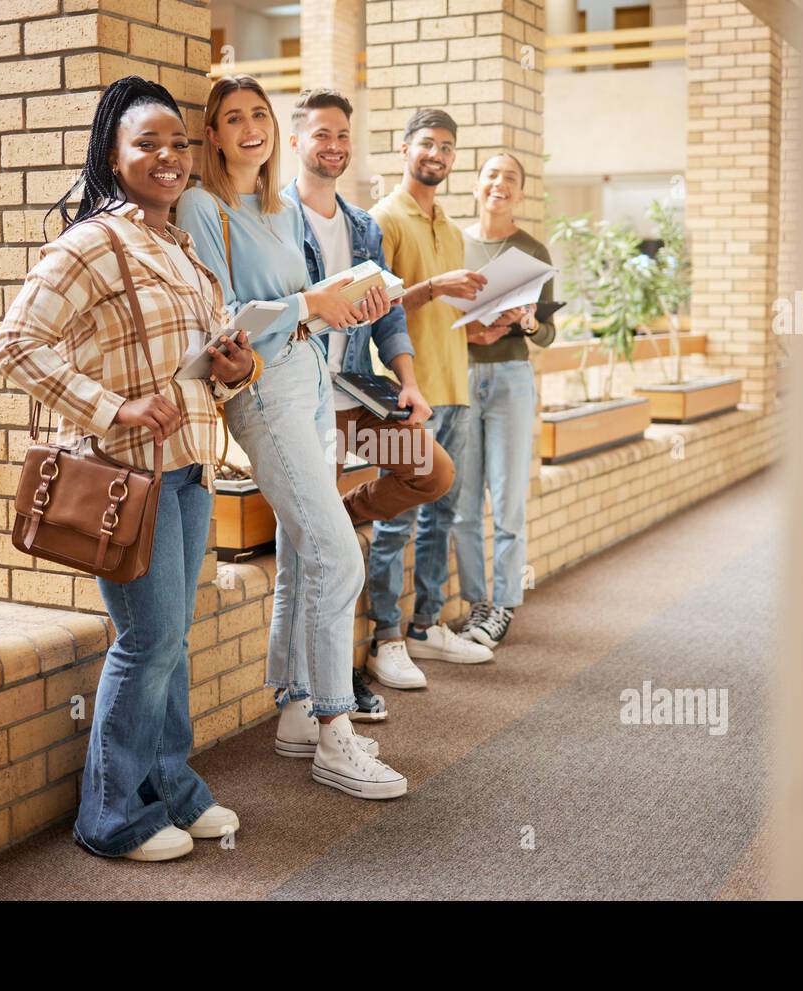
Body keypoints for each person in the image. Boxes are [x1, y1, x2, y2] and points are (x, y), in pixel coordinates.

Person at [0, 77, 260, 862]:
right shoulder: (92, 242)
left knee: (172, 637)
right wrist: (114, 408)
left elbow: (203, 359)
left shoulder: (177, 244)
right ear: (112, 153)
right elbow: (12, 345)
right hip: (125, 475)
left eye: (179, 143)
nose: (169, 156)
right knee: (147, 639)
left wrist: (235, 364)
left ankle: (169, 785)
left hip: (188, 471)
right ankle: (110, 815)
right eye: (148, 143)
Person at [174, 75, 407, 799]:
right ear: (212, 134)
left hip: (311, 377)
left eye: (259, 115)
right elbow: (219, 322)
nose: (251, 127)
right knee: (340, 553)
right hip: (263, 391)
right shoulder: (200, 206)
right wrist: (309, 302)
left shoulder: (275, 208)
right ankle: (338, 734)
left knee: (307, 552)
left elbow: (298, 313)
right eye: (233, 117)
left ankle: (299, 711)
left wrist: (339, 305)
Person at [283, 87, 457, 698]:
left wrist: (409, 383)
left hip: (356, 394)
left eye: (342, 136)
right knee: (317, 565)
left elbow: (388, 318)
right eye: (321, 134)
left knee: (430, 472)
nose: (333, 146)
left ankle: (348, 516)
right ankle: (318, 690)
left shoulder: (360, 226)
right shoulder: (275, 218)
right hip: (301, 404)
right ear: (297, 140)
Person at [366, 108, 505, 685]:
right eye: (428, 144)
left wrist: (485, 328)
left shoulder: (450, 228)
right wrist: (433, 286)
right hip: (406, 394)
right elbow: (373, 307)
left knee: (442, 514)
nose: (438, 155)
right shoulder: (380, 220)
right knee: (397, 518)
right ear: (404, 150)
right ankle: (385, 638)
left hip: (456, 386)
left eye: (447, 147)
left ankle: (424, 627)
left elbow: (447, 315)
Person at [453, 153, 556, 649]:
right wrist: (472, 329)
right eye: (492, 176)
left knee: (508, 500)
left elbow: (549, 333)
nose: (500, 184)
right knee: (465, 504)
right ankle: (477, 603)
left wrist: (528, 321)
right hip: (463, 375)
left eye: (510, 179)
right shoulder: (455, 244)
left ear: (519, 194)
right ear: (477, 186)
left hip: (512, 379)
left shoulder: (533, 251)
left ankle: (505, 603)